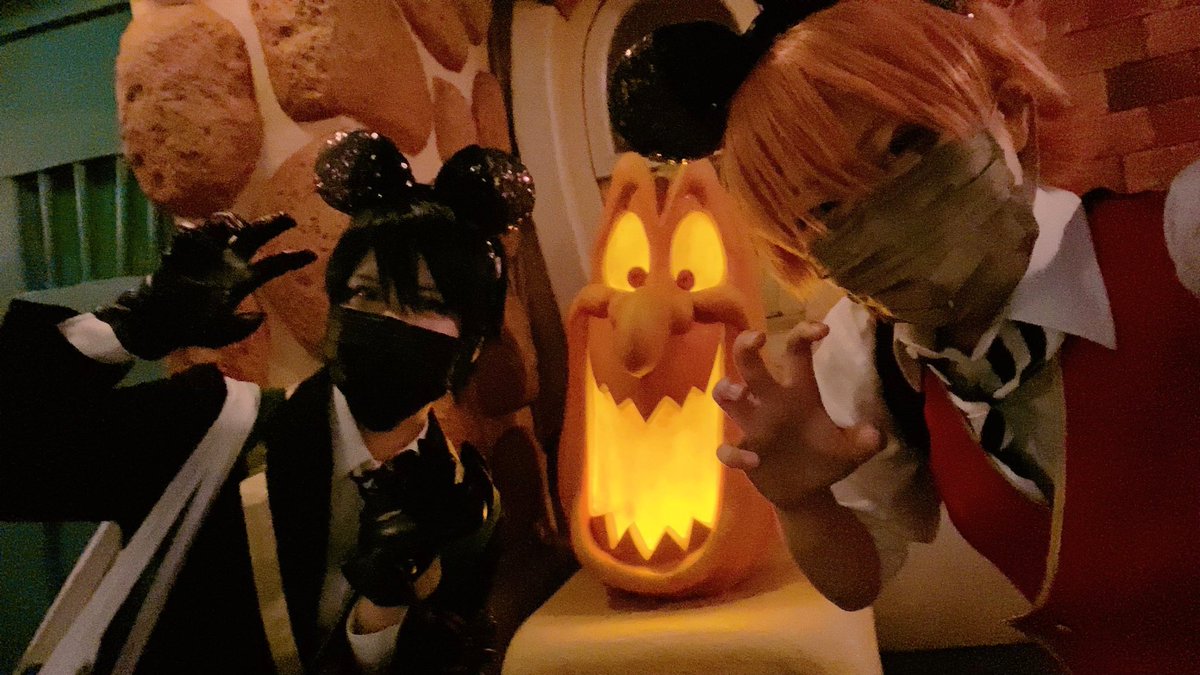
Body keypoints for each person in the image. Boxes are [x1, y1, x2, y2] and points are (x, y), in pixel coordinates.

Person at [609, 1, 1200, 673]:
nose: (879, 207)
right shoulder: (872, 358)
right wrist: (801, 499)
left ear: (1009, 112)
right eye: (824, 208)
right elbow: (858, 576)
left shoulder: (1180, 242)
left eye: (904, 143)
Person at [0, 130, 534, 674]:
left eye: (425, 302)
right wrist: (126, 328)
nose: (388, 321)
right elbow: (13, 464)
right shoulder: (213, 423)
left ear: (471, 345)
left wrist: (384, 612)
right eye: (367, 293)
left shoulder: (465, 509)